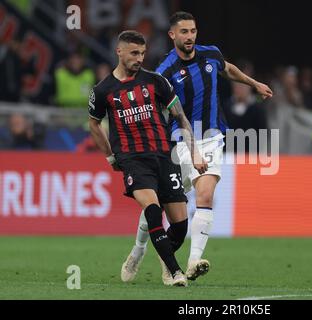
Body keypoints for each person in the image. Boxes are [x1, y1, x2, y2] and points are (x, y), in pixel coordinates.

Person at [122, 11, 273, 284]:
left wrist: (254, 83)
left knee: (205, 195)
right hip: (179, 141)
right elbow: (153, 108)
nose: (189, 36)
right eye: (184, 32)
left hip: (213, 136)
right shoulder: (164, 71)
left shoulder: (211, 54)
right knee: (158, 205)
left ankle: (193, 261)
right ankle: (139, 248)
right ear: (172, 35)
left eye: (192, 31)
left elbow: (228, 69)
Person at [89, 30, 208, 287]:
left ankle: (140, 253)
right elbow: (94, 124)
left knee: (179, 227)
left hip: (164, 156)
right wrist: (110, 157)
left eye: (142, 53)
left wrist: (195, 150)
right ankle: (175, 272)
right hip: (133, 159)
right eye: (134, 53)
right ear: (118, 51)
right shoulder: (103, 90)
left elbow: (180, 117)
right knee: (153, 212)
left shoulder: (156, 82)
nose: (139, 58)